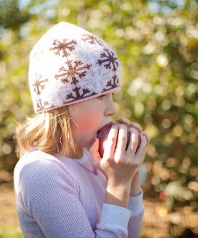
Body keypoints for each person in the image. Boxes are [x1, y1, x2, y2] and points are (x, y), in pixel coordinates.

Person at [14, 22, 149, 238]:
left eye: (112, 95)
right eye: (101, 96)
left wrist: (130, 178)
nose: (112, 109)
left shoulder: (90, 157)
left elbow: (128, 235)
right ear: (63, 104)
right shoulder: (42, 171)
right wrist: (118, 184)